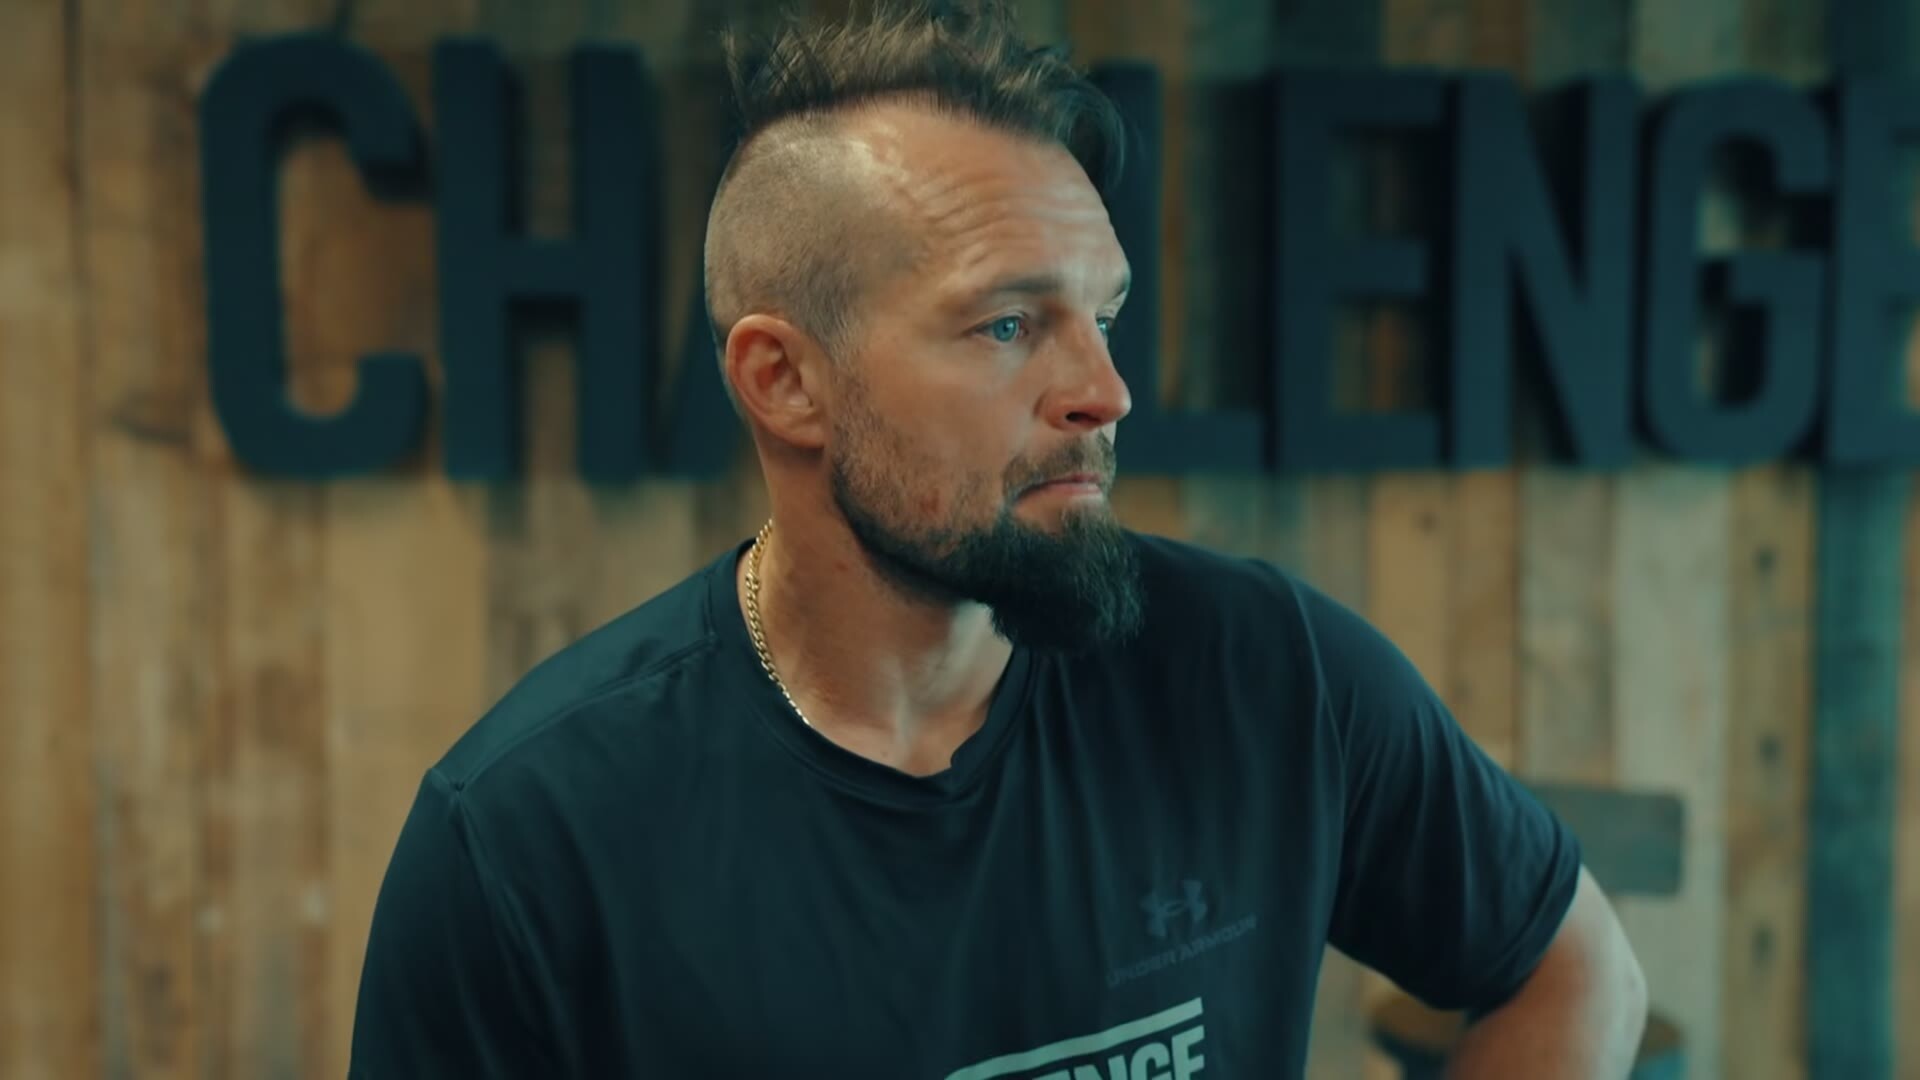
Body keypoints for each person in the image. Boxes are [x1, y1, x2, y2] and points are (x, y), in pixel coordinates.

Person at [347, 2, 1648, 1076]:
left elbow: (1576, 974)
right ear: (784, 381)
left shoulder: (1267, 672)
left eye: (1103, 317)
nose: (1105, 392)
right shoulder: (527, 836)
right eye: (1009, 325)